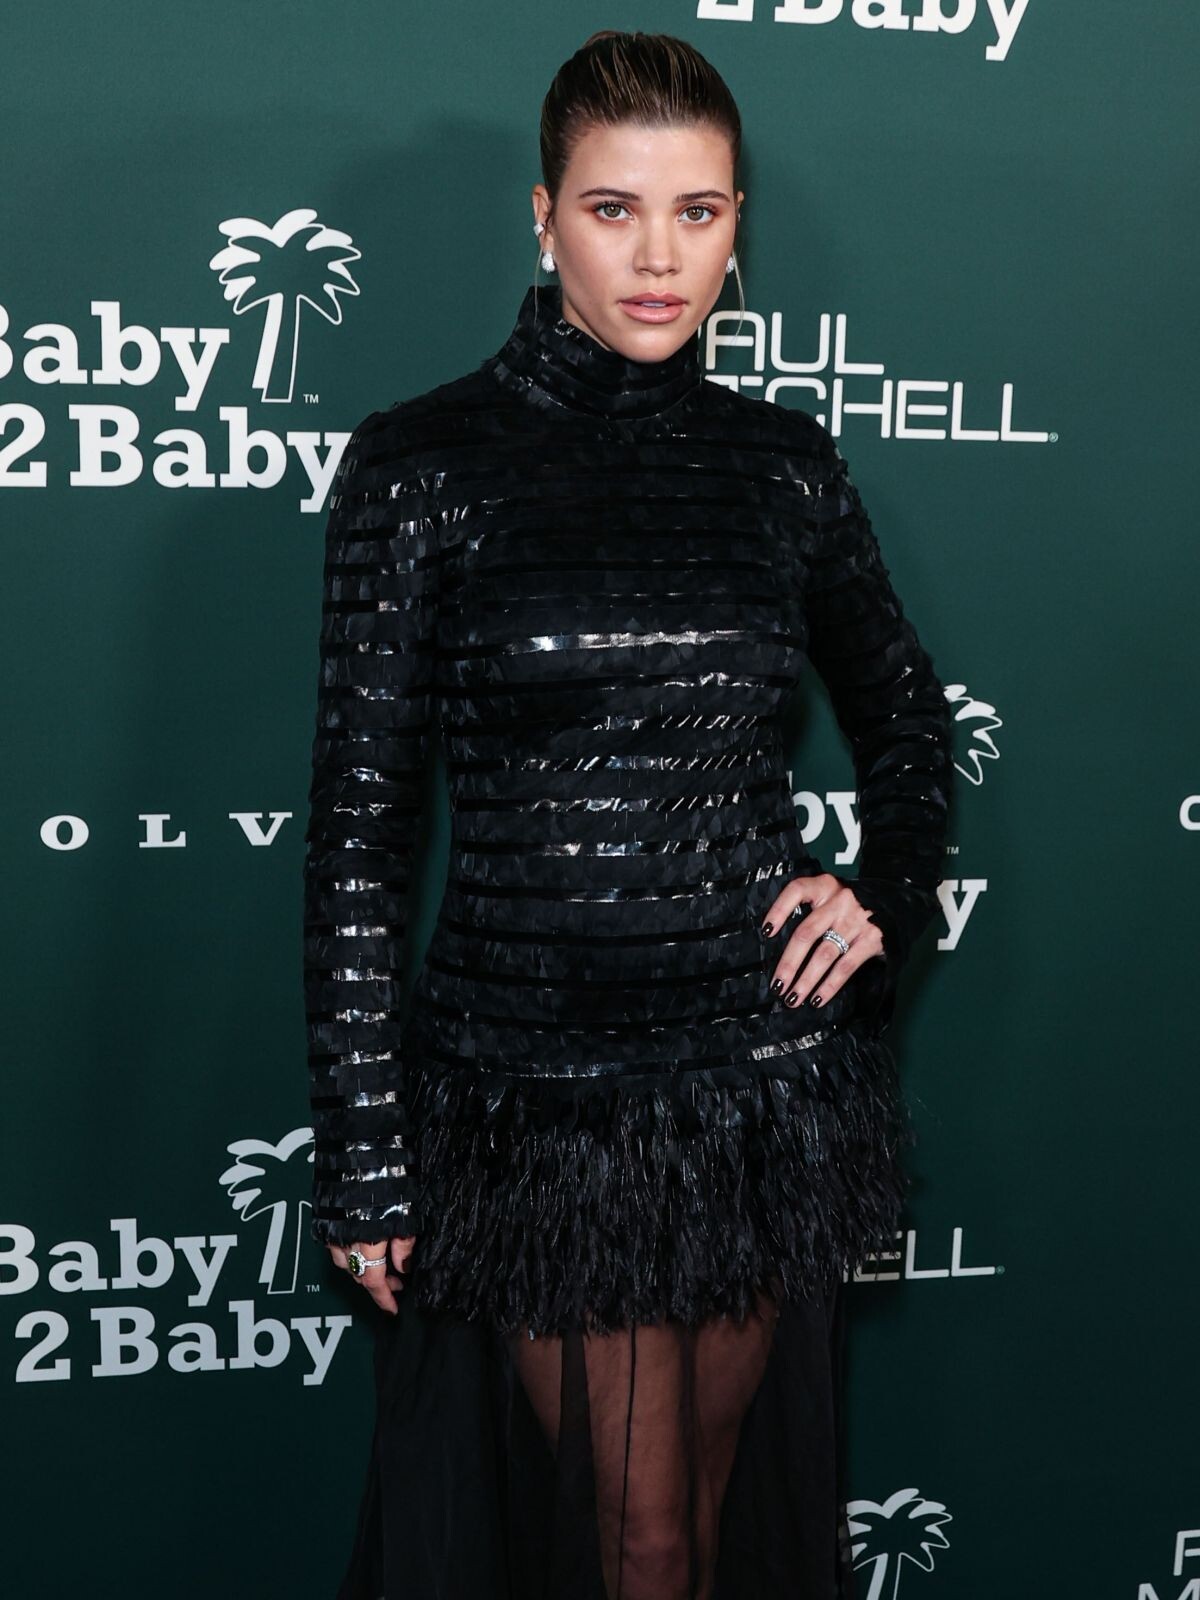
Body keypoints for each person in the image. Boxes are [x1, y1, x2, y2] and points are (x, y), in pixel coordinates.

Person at [302, 28, 954, 1600]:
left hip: (753, 1091)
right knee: (635, 1539)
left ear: (735, 228)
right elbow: (360, 836)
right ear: (544, 218)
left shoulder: (782, 467)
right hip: (535, 1102)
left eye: (697, 212)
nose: (659, 258)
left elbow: (910, 726)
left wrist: (883, 889)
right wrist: (368, 1148)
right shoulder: (420, 465)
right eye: (614, 210)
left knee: (703, 1529)